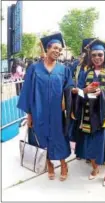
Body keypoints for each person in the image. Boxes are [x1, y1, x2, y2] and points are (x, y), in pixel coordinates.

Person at [17, 33, 74, 181]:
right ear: (47, 49)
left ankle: (63, 164)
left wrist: (66, 97)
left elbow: (69, 87)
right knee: (41, 139)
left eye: (60, 49)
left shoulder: (64, 69)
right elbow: (27, 92)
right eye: (55, 48)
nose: (58, 51)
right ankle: (49, 164)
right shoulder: (34, 69)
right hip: (39, 111)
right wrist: (29, 115)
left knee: (59, 138)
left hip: (57, 112)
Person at [71, 39, 105, 186]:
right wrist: (83, 91)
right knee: (90, 144)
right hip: (88, 114)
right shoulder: (85, 74)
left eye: (100, 55)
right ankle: (94, 168)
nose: (97, 58)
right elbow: (78, 94)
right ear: (90, 56)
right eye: (94, 55)